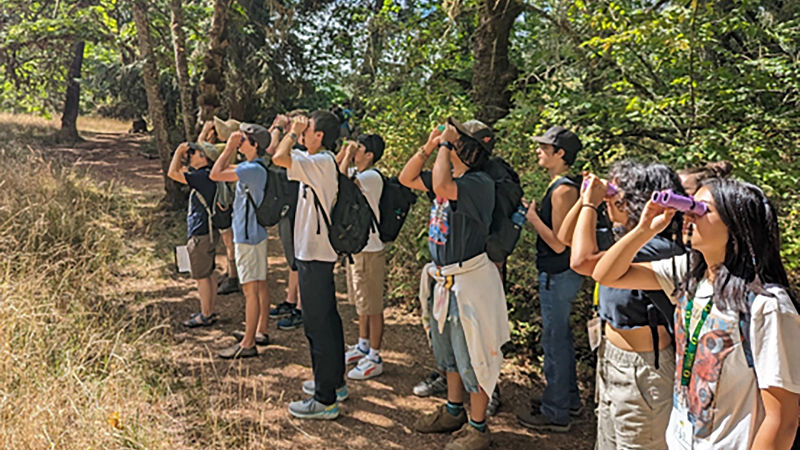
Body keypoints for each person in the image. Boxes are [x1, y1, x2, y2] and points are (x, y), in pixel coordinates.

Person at [593, 178, 800, 450]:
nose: (689, 213)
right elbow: (605, 274)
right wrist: (645, 229)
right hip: (680, 440)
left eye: (702, 209)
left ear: (736, 226)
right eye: (690, 205)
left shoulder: (767, 305)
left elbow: (782, 418)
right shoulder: (689, 273)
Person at [398, 118, 509, 450]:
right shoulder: (451, 177)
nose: (450, 142)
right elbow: (406, 178)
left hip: (470, 284)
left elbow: (443, 186)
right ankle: (452, 411)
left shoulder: (479, 183)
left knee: (472, 356)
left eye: (457, 140)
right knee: (446, 353)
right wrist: (430, 146)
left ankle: (478, 429)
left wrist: (444, 147)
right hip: (445, 281)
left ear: (469, 150)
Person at [561, 161, 686, 449]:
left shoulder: (659, 246)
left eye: (617, 191)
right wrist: (585, 200)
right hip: (612, 356)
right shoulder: (624, 238)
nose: (609, 198)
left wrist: (592, 205)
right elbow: (567, 238)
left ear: (638, 199)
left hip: (643, 367)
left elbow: (581, 262)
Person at [272, 110, 347, 419]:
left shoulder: (320, 163)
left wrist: (291, 133)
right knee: (328, 321)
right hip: (316, 254)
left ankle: (325, 399)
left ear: (320, 136)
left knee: (318, 326)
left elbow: (278, 157)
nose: (303, 132)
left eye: (308, 129)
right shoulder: (317, 161)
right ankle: (334, 383)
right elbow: (279, 153)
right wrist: (288, 128)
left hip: (314, 256)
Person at [515, 126, 583, 432]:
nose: (539, 150)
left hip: (559, 274)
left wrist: (532, 217)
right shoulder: (560, 186)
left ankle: (555, 412)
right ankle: (567, 399)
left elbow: (559, 243)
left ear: (561, 155)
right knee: (560, 338)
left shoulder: (563, 190)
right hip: (560, 274)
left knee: (554, 342)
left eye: (545, 147)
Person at [210, 123, 272, 359]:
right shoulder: (255, 167)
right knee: (260, 284)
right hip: (255, 234)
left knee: (250, 290)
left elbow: (215, 173)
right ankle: (260, 331)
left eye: (244, 140)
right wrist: (232, 148)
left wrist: (228, 148)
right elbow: (223, 170)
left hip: (247, 237)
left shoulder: (252, 170)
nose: (240, 143)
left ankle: (247, 343)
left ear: (254, 145)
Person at [336, 133, 387, 380]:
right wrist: (347, 152)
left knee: (373, 306)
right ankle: (363, 344)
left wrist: (346, 154)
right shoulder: (361, 174)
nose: (355, 150)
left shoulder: (371, 177)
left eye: (360, 148)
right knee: (362, 304)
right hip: (359, 248)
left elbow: (339, 182)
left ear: (370, 155)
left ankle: (375, 356)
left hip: (371, 251)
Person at [167, 141, 220, 328]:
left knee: (201, 276)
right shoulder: (207, 175)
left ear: (203, 157)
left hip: (201, 233)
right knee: (209, 273)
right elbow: (182, 168)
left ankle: (205, 314)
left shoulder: (201, 176)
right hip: (210, 230)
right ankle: (210, 310)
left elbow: (172, 173)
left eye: (194, 153)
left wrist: (178, 150)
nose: (190, 155)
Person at [267, 110, 308, 331]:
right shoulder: (294, 145)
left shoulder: (301, 149)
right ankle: (291, 300)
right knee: (292, 259)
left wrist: (279, 129)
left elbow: (272, 150)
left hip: (297, 210)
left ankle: (301, 308)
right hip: (287, 208)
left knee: (298, 259)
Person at [199, 116, 242, 296]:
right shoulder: (235, 150)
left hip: (225, 201)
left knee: (228, 240)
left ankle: (233, 277)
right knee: (230, 240)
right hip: (233, 199)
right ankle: (232, 273)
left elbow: (199, 147)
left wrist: (203, 133)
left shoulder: (224, 148)